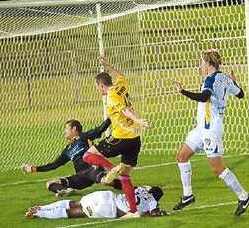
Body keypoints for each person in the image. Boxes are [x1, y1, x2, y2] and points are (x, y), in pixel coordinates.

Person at [173, 49, 249, 216]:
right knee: (182, 156)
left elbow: (204, 97)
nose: (200, 65)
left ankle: (244, 196)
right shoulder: (224, 78)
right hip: (201, 128)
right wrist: (234, 83)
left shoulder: (210, 79)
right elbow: (241, 94)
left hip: (211, 130)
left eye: (202, 62)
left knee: (217, 168)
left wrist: (183, 92)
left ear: (208, 64)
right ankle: (188, 195)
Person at [82, 56, 150, 218]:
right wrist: (108, 65)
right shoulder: (121, 85)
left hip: (121, 138)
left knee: (88, 155)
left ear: (101, 85)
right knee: (125, 176)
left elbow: (124, 110)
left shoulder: (111, 95)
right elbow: (120, 75)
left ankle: (110, 169)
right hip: (135, 139)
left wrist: (136, 119)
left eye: (96, 87)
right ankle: (133, 211)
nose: (97, 90)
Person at [21, 118, 122, 197]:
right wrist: (34, 169)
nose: (64, 131)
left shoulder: (83, 137)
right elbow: (54, 165)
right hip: (81, 177)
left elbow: (100, 129)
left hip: (92, 169)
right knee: (50, 183)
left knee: (107, 181)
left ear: (74, 129)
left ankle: (133, 189)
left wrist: (111, 117)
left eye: (66, 128)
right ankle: (65, 191)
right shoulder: (67, 150)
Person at [25, 185, 167, 219]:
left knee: (73, 203)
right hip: (109, 208)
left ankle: (41, 207)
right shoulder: (153, 201)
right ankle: (39, 213)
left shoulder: (140, 189)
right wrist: (160, 213)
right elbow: (154, 213)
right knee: (72, 213)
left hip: (107, 196)